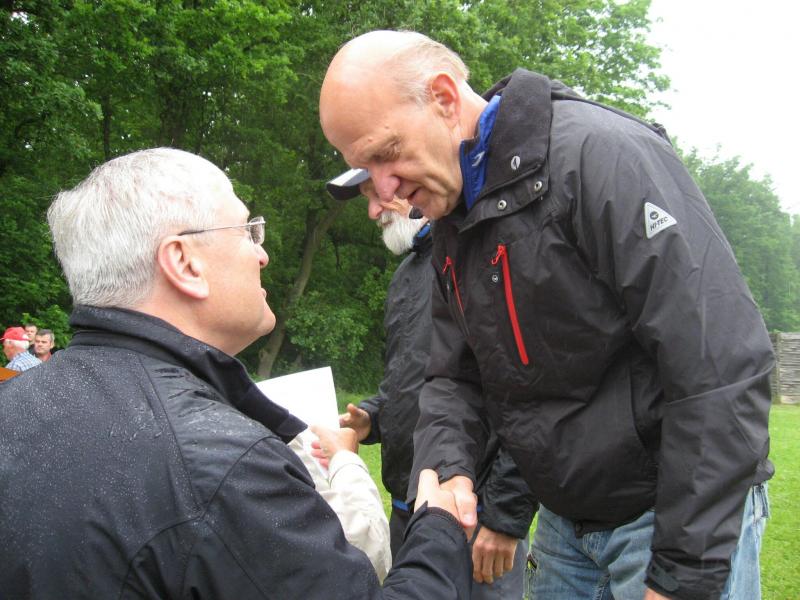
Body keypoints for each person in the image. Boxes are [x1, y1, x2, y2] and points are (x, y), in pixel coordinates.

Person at [319, 31, 774, 600]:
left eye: (385, 154)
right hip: (565, 524)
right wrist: (451, 467)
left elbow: (719, 366)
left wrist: (682, 576)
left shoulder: (601, 156)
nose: (383, 191)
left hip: (666, 514)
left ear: (443, 97)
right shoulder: (453, 220)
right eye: (364, 168)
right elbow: (452, 375)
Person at [0, 147, 471, 599]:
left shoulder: (14, 405)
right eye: (249, 231)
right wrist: (439, 527)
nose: (262, 255)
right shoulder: (226, 467)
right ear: (184, 262)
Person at [328, 169, 534, 596]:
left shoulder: (485, 256)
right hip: (408, 510)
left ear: (411, 182)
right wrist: (373, 416)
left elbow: (529, 394)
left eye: (377, 195)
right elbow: (411, 377)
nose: (372, 212)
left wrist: (503, 515)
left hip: (475, 517)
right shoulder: (406, 274)